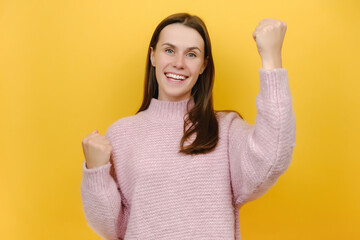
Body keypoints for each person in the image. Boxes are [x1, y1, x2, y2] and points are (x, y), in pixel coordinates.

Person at [80, 13, 296, 240]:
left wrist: (271, 60)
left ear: (203, 65)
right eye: (169, 50)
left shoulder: (225, 129)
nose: (179, 63)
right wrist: (96, 172)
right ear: (153, 56)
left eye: (191, 54)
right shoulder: (122, 134)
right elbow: (112, 228)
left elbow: (273, 156)